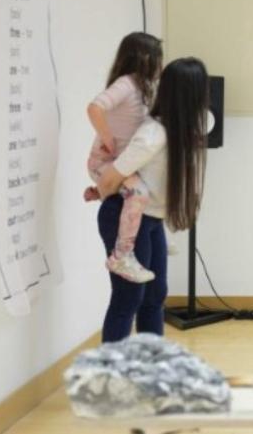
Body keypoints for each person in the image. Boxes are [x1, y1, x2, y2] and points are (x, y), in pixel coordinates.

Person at [95, 57, 209, 342]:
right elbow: (109, 179)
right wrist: (110, 188)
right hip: (124, 216)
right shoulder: (152, 135)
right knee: (128, 298)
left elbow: (208, 119)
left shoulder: (187, 129)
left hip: (153, 220)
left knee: (154, 296)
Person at [85, 32, 163, 283]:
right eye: (158, 59)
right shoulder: (126, 84)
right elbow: (94, 107)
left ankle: (99, 192)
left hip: (118, 165)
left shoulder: (143, 87)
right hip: (104, 162)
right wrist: (106, 136)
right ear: (146, 58)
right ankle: (122, 254)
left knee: (145, 187)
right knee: (139, 193)